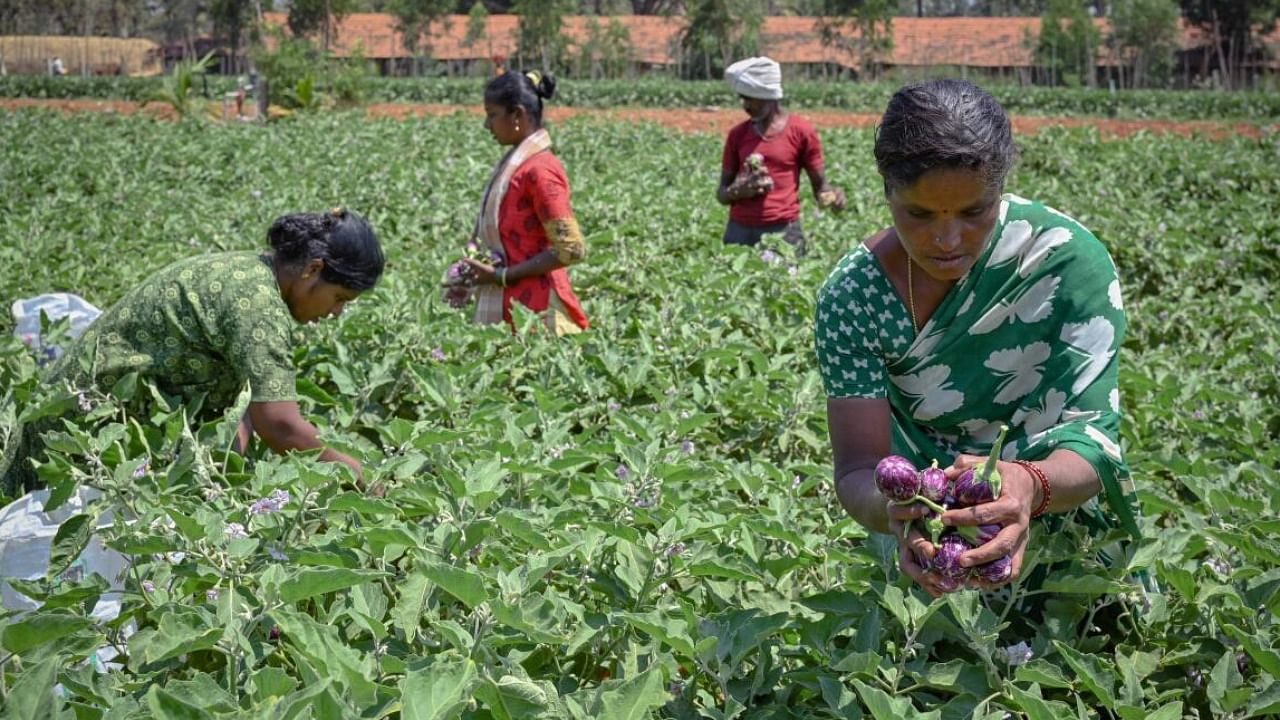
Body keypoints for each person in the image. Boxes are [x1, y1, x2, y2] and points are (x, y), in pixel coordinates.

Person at [815, 79, 1140, 599]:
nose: (947, 240)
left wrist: (1028, 484)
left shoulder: (1065, 264)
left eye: (973, 212)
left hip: (1067, 539)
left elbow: (1094, 443)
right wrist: (901, 513)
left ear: (1000, 189)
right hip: (932, 542)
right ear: (887, 192)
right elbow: (858, 468)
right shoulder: (856, 297)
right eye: (919, 214)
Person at [1, 209, 385, 498]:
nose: (336, 313)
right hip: (78, 440)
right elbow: (280, 424)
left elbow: (246, 407)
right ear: (312, 270)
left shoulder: (252, 274)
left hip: (91, 429)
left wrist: (221, 481)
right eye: (339, 298)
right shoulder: (258, 308)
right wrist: (367, 480)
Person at [451, 70, 589, 335]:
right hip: (512, 313)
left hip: (540, 319)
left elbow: (571, 248)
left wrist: (502, 276)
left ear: (517, 115)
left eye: (492, 115)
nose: (486, 125)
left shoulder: (540, 171)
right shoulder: (516, 166)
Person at [717, 56, 845, 256]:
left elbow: (820, 188)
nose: (745, 105)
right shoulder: (737, 135)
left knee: (783, 284)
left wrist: (834, 199)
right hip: (739, 231)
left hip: (784, 232)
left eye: (750, 98)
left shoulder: (801, 131)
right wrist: (737, 190)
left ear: (769, 96)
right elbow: (721, 193)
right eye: (742, 98)